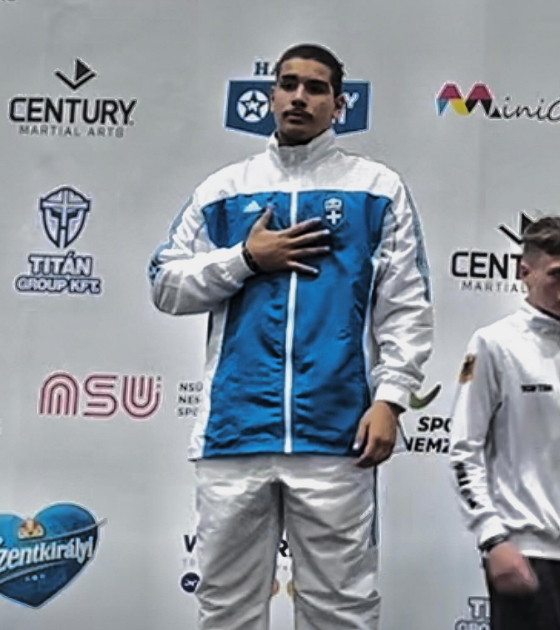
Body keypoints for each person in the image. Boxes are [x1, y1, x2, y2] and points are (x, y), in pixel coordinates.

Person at [149, 43, 433, 630]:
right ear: (271, 96)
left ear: (339, 104)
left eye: (316, 87)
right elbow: (166, 285)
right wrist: (246, 259)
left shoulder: (377, 188)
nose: (300, 97)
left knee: (341, 609)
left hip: (337, 434)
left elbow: (404, 305)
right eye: (288, 84)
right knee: (226, 608)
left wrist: (390, 399)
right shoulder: (224, 189)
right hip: (235, 432)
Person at [450, 216, 560, 629]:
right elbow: (464, 451)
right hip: (529, 556)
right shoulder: (494, 344)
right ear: (524, 272)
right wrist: (493, 537)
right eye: (557, 275)